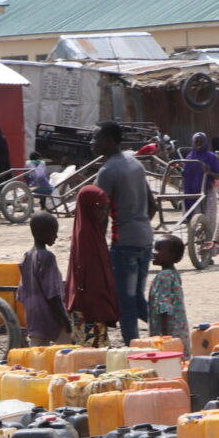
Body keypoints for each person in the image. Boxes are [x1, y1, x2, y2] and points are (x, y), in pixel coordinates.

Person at [94, 121, 155, 345]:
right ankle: (165, 333)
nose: (93, 143)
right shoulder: (135, 164)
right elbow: (153, 205)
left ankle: (133, 347)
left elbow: (101, 216)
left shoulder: (107, 171)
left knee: (126, 301)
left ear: (109, 141)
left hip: (125, 243)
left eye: (96, 138)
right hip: (145, 238)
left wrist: (97, 249)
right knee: (137, 295)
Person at [64, 185, 119, 347]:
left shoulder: (94, 231)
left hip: (95, 306)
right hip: (88, 308)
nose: (103, 214)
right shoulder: (85, 236)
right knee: (92, 356)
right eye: (99, 209)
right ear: (87, 208)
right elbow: (88, 276)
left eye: (105, 209)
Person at [16, 211, 72, 347]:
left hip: (34, 318)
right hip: (51, 317)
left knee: (36, 357)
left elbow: (21, 293)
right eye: (53, 232)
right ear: (42, 233)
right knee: (67, 352)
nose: (56, 236)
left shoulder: (27, 257)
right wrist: (65, 320)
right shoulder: (47, 257)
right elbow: (52, 294)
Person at [147, 234, 190, 345]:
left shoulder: (164, 276)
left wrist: (165, 337)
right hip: (179, 332)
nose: (154, 252)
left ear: (171, 255)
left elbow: (165, 307)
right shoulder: (174, 274)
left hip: (167, 334)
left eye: (158, 249)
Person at [180, 132, 219, 214]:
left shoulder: (212, 157)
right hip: (191, 191)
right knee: (192, 214)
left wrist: (209, 172)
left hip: (207, 190)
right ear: (193, 143)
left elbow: (218, 175)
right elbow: (185, 173)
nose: (198, 144)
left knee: (208, 215)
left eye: (201, 141)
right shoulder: (189, 157)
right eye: (196, 142)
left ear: (205, 142)